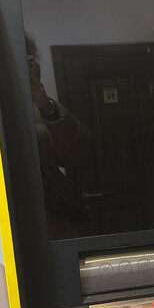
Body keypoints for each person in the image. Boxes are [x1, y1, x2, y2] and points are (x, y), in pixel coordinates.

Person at [25, 34, 92, 239]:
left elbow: (78, 152)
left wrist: (46, 106)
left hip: (54, 217)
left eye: (30, 62)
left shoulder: (42, 108)